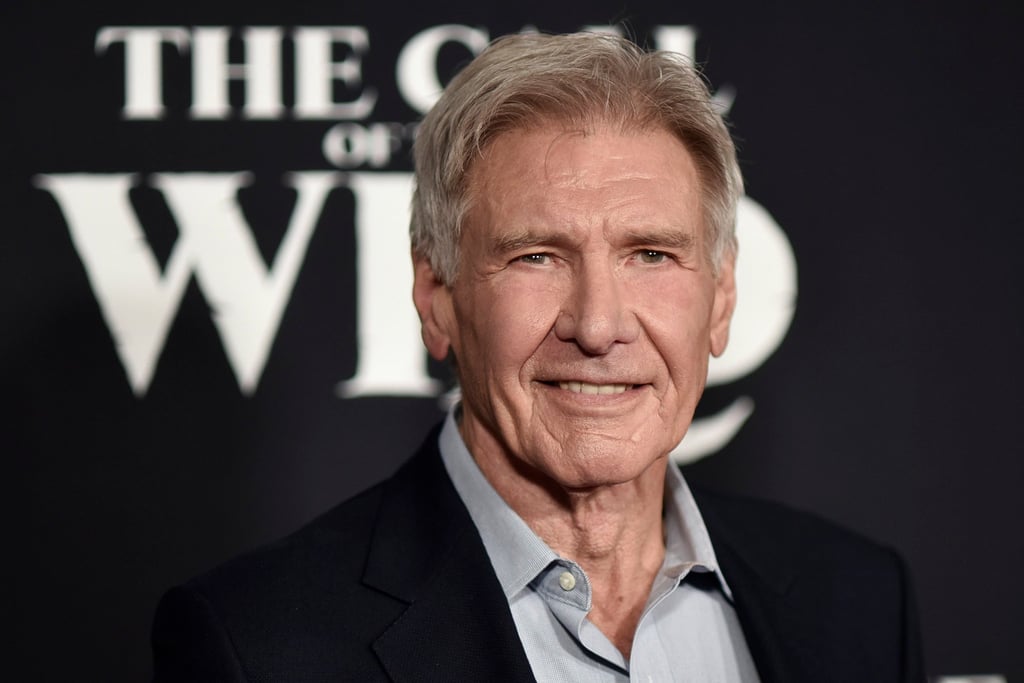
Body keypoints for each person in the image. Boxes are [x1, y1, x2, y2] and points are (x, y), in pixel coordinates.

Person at [152, 32, 923, 682]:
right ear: (437, 297)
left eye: (650, 254)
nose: (597, 324)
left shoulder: (857, 602)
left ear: (721, 299)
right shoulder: (257, 645)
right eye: (536, 256)